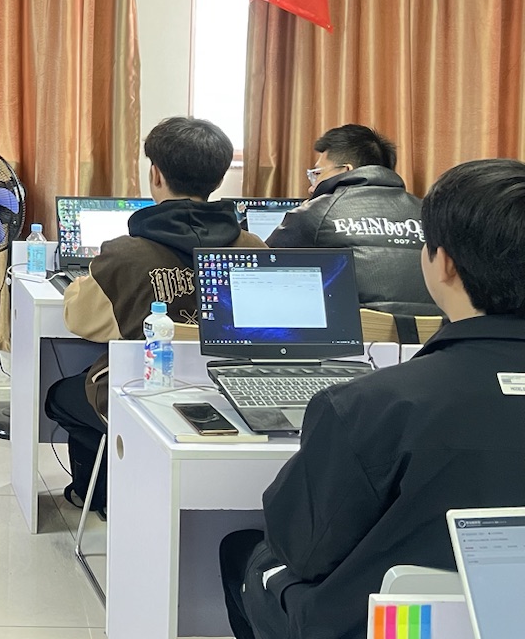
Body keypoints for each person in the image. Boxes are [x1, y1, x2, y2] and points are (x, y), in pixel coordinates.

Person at [220, 158, 525, 639]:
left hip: (389, 625)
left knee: (251, 555)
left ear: (443, 262)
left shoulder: (368, 405)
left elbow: (301, 546)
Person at [45, 117, 264, 511]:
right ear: (218, 180)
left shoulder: (124, 254)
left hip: (145, 399)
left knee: (61, 396)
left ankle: (101, 496)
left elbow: (79, 319)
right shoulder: (254, 247)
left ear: (156, 174)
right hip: (233, 398)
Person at [267, 123, 433, 321]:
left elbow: (264, 265)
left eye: (317, 173)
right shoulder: (429, 213)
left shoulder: (317, 212)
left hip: (351, 335)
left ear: (345, 170)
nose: (312, 188)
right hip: (430, 335)